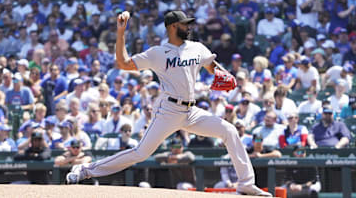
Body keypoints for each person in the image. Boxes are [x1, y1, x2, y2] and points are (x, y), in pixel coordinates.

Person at [66, 10, 271, 196]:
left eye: (189, 24)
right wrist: (121, 34)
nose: (189, 27)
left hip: (191, 111)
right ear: (173, 27)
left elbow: (210, 64)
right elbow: (123, 63)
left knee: (230, 131)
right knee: (140, 153)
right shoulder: (158, 53)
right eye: (185, 24)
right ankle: (85, 170)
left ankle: (245, 183)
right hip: (168, 110)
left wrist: (224, 73)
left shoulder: (196, 47)